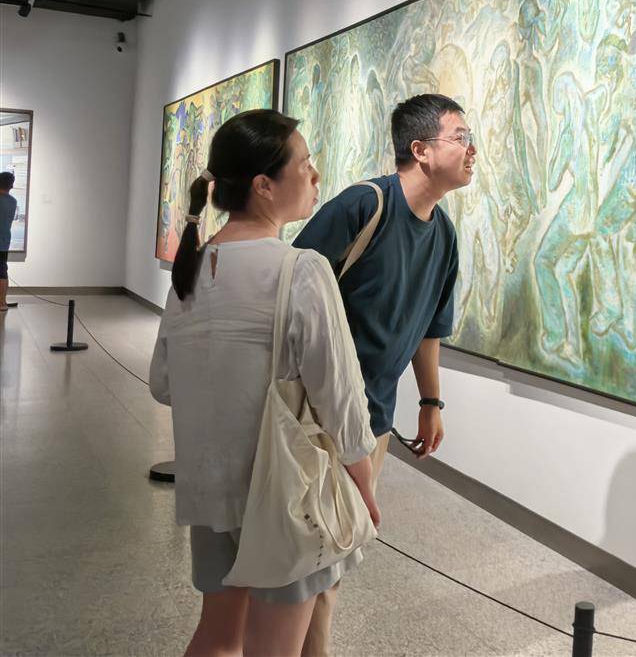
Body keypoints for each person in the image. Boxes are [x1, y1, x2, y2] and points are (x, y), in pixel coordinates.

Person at [149, 109, 380, 657]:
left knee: (218, 637)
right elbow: (341, 400)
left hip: (209, 487)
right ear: (263, 185)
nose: (315, 175)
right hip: (283, 493)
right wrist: (364, 484)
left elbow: (163, 383)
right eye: (305, 164)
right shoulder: (301, 269)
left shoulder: (191, 270)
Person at [292, 93, 472, 654]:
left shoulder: (443, 235)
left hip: (373, 418)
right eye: (461, 138)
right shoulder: (363, 206)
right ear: (420, 150)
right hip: (314, 413)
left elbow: (429, 328)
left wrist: (431, 402)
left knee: (335, 553)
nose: (472, 150)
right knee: (309, 555)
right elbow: (291, 290)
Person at [0, 171, 16, 312]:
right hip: (4, 242)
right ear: (11, 185)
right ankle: (2, 303)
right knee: (2, 272)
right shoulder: (13, 201)